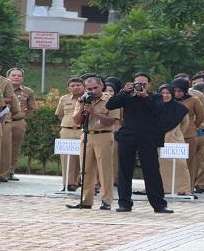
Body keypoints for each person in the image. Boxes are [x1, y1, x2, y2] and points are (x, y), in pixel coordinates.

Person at [106, 72, 183, 213]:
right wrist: (123, 91)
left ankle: (159, 204)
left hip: (148, 138)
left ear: (149, 85)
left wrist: (146, 97)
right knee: (124, 171)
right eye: (137, 83)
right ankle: (124, 203)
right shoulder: (127, 97)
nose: (140, 86)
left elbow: (160, 111)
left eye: (144, 84)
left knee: (152, 171)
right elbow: (110, 105)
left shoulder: (156, 98)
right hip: (128, 137)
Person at [67, 77, 120, 210]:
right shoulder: (83, 99)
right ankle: (86, 201)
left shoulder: (110, 100)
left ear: (101, 85)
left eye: (95, 88)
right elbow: (76, 121)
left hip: (104, 136)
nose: (92, 91)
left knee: (104, 170)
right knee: (85, 170)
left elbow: (112, 121)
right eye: (89, 89)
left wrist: (94, 113)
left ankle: (106, 201)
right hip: (86, 136)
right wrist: (82, 109)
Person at [157, 84, 192, 195]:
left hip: (175, 138)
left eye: (168, 93)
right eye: (163, 93)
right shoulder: (154, 106)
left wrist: (176, 133)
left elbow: (185, 124)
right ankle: (160, 188)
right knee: (158, 164)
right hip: (157, 138)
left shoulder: (179, 108)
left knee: (180, 164)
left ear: (172, 94)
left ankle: (184, 189)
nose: (165, 95)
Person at [172, 78, 204, 193]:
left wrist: (193, 127)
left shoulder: (194, 100)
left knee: (188, 162)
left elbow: (200, 116)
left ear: (185, 90)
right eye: (175, 90)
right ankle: (172, 187)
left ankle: (188, 188)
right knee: (172, 162)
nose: (177, 93)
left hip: (189, 135)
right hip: (172, 135)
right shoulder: (169, 99)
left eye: (180, 91)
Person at [56, 78, 84, 191]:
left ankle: (78, 181)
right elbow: (60, 115)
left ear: (83, 86)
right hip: (67, 130)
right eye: (72, 85)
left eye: (78, 85)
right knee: (66, 158)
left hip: (81, 130)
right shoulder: (64, 98)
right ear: (68, 88)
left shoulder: (86, 98)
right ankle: (67, 184)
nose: (75, 87)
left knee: (82, 158)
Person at [7, 68, 36, 180]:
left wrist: (22, 115)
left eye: (19, 76)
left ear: (22, 78)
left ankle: (10, 172)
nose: (16, 77)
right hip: (3, 121)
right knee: (1, 147)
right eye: (13, 75)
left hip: (18, 122)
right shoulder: (2, 89)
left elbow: (31, 108)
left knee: (15, 147)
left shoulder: (28, 91)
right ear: (8, 77)